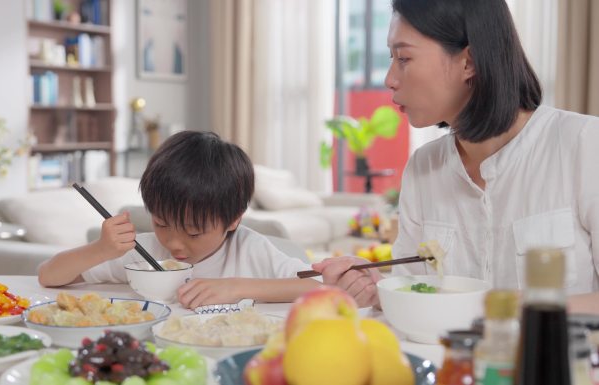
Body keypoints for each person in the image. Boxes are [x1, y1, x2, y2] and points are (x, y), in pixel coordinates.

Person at [313, 0, 599, 313]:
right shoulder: (423, 168)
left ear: (469, 62)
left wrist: (505, 306)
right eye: (391, 58)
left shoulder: (583, 144)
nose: (390, 79)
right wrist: (374, 286)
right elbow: (414, 295)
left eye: (404, 58)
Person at [38, 131, 320, 308]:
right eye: (161, 223)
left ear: (233, 220)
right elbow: (48, 276)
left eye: (194, 233)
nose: (174, 244)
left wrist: (236, 287)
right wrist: (100, 250)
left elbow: (319, 286)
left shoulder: (249, 249)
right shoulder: (142, 253)